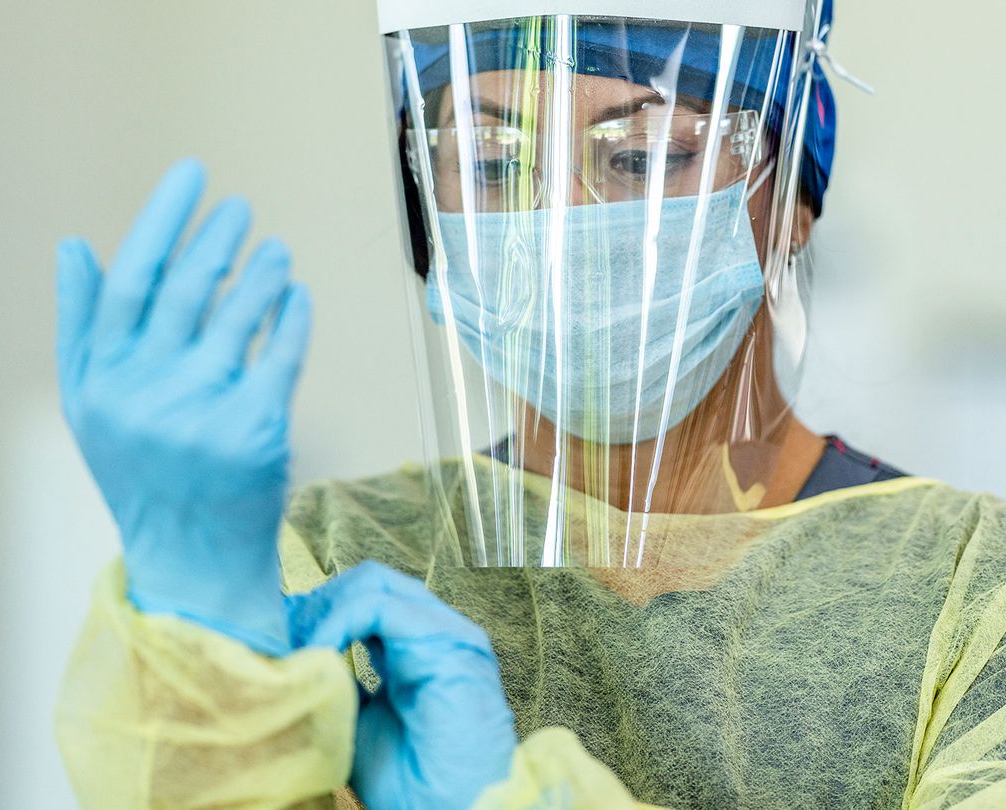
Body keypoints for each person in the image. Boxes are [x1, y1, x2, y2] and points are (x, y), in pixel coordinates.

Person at [53, 2, 1006, 807]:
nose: (561, 226)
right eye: (497, 162)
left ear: (792, 193)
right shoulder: (324, 564)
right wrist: (201, 631)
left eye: (642, 156)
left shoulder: (971, 598)